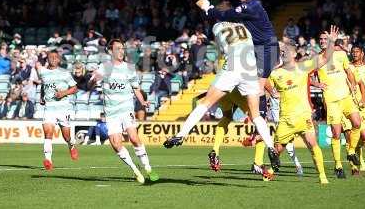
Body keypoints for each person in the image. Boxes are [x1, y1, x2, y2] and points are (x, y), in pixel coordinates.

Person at [163, 21, 280, 170]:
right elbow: (262, 70)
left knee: (220, 113)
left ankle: (189, 138)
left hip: (227, 77)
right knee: (257, 117)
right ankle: (263, 157)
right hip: (245, 75)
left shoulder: (218, 28)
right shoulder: (248, 29)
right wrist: (271, 90)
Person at [192, 0, 279, 142]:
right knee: (252, 87)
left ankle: (260, 126)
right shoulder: (241, 0)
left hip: (266, 49)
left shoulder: (250, 7)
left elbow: (224, 15)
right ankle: (261, 119)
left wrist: (208, 9)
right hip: (253, 48)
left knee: (258, 88)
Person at [268, 26, 340, 184]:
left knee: (313, 145)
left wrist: (332, 42)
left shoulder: (303, 67)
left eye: (286, 51)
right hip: (286, 119)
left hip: (304, 117)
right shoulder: (275, 73)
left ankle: (322, 176)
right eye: (282, 52)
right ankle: (271, 170)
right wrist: (272, 92)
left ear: (294, 53)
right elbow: (263, 84)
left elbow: (324, 59)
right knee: (276, 150)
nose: (283, 53)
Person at [89, 39, 159, 183]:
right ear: (111, 51)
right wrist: (93, 79)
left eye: (122, 48)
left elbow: (135, 88)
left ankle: (148, 168)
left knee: (134, 138)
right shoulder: (104, 67)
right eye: (118, 48)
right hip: (111, 112)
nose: (121, 51)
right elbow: (90, 84)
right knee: (115, 143)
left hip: (126, 109)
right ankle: (135, 170)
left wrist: (143, 102)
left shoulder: (129, 68)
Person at [317, 32, 362, 178]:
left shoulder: (341, 54)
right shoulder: (318, 59)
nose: (322, 41)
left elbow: (349, 71)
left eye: (325, 39)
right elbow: (304, 76)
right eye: (321, 39)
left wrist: (353, 84)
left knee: (357, 123)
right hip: (331, 100)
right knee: (336, 133)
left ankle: (351, 151)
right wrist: (315, 83)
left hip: (346, 97)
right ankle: (338, 165)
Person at [36, 50, 79, 171]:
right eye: (51, 57)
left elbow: (75, 88)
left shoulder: (64, 73)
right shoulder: (43, 72)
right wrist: (41, 97)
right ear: (47, 59)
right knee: (48, 133)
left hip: (63, 109)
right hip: (49, 108)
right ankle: (48, 160)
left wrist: (63, 93)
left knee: (66, 137)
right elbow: (44, 86)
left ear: (59, 60)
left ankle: (71, 146)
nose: (53, 59)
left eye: (56, 57)